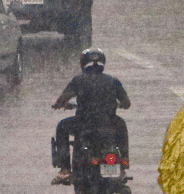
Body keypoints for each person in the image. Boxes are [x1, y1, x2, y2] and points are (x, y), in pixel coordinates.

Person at [52, 48, 131, 184]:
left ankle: (65, 169)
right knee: (122, 126)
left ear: (84, 64)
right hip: (109, 122)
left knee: (62, 127)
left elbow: (62, 99)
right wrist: (120, 104)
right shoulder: (112, 81)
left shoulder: (78, 80)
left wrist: (59, 104)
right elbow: (126, 103)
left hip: (83, 123)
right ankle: (123, 164)